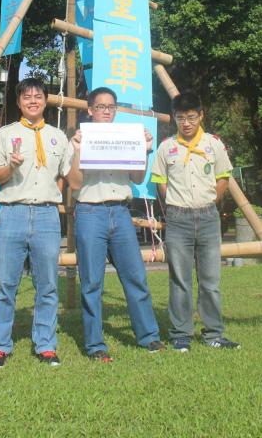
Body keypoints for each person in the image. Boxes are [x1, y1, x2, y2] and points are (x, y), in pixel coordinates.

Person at [68, 86, 165, 362]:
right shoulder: (78, 137)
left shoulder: (127, 136)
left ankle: (149, 336)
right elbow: (74, 183)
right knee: (91, 282)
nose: (106, 111)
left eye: (111, 107)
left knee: (135, 276)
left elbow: (136, 177)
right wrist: (77, 150)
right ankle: (95, 344)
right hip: (89, 212)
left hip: (121, 213)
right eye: (100, 107)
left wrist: (143, 150)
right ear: (90, 110)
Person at [0, 78, 70, 368]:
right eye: (26, 97)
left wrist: (84, 147)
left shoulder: (59, 136)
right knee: (4, 283)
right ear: (19, 102)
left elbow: (69, 176)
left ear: (45, 100)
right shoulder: (5, 135)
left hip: (48, 214)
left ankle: (45, 345)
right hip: (12, 213)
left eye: (37, 96)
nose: (32, 101)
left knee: (47, 284)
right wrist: (11, 166)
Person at [151, 90, 240, 351]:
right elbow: (160, 182)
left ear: (201, 115)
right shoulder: (167, 147)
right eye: (181, 118)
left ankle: (213, 333)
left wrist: (211, 202)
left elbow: (223, 177)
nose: (186, 123)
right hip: (178, 217)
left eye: (191, 117)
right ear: (174, 119)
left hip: (208, 216)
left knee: (210, 280)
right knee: (180, 279)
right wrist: (175, 206)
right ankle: (181, 334)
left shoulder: (213, 144)